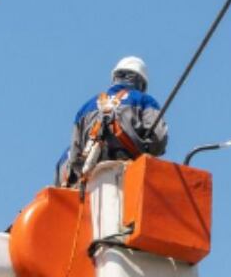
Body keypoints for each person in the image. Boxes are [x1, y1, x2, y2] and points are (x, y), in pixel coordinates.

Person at [56, 56, 169, 188]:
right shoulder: (145, 101)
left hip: (92, 183)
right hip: (128, 177)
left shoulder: (85, 108)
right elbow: (159, 140)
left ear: (115, 77)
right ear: (141, 83)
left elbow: (75, 156)